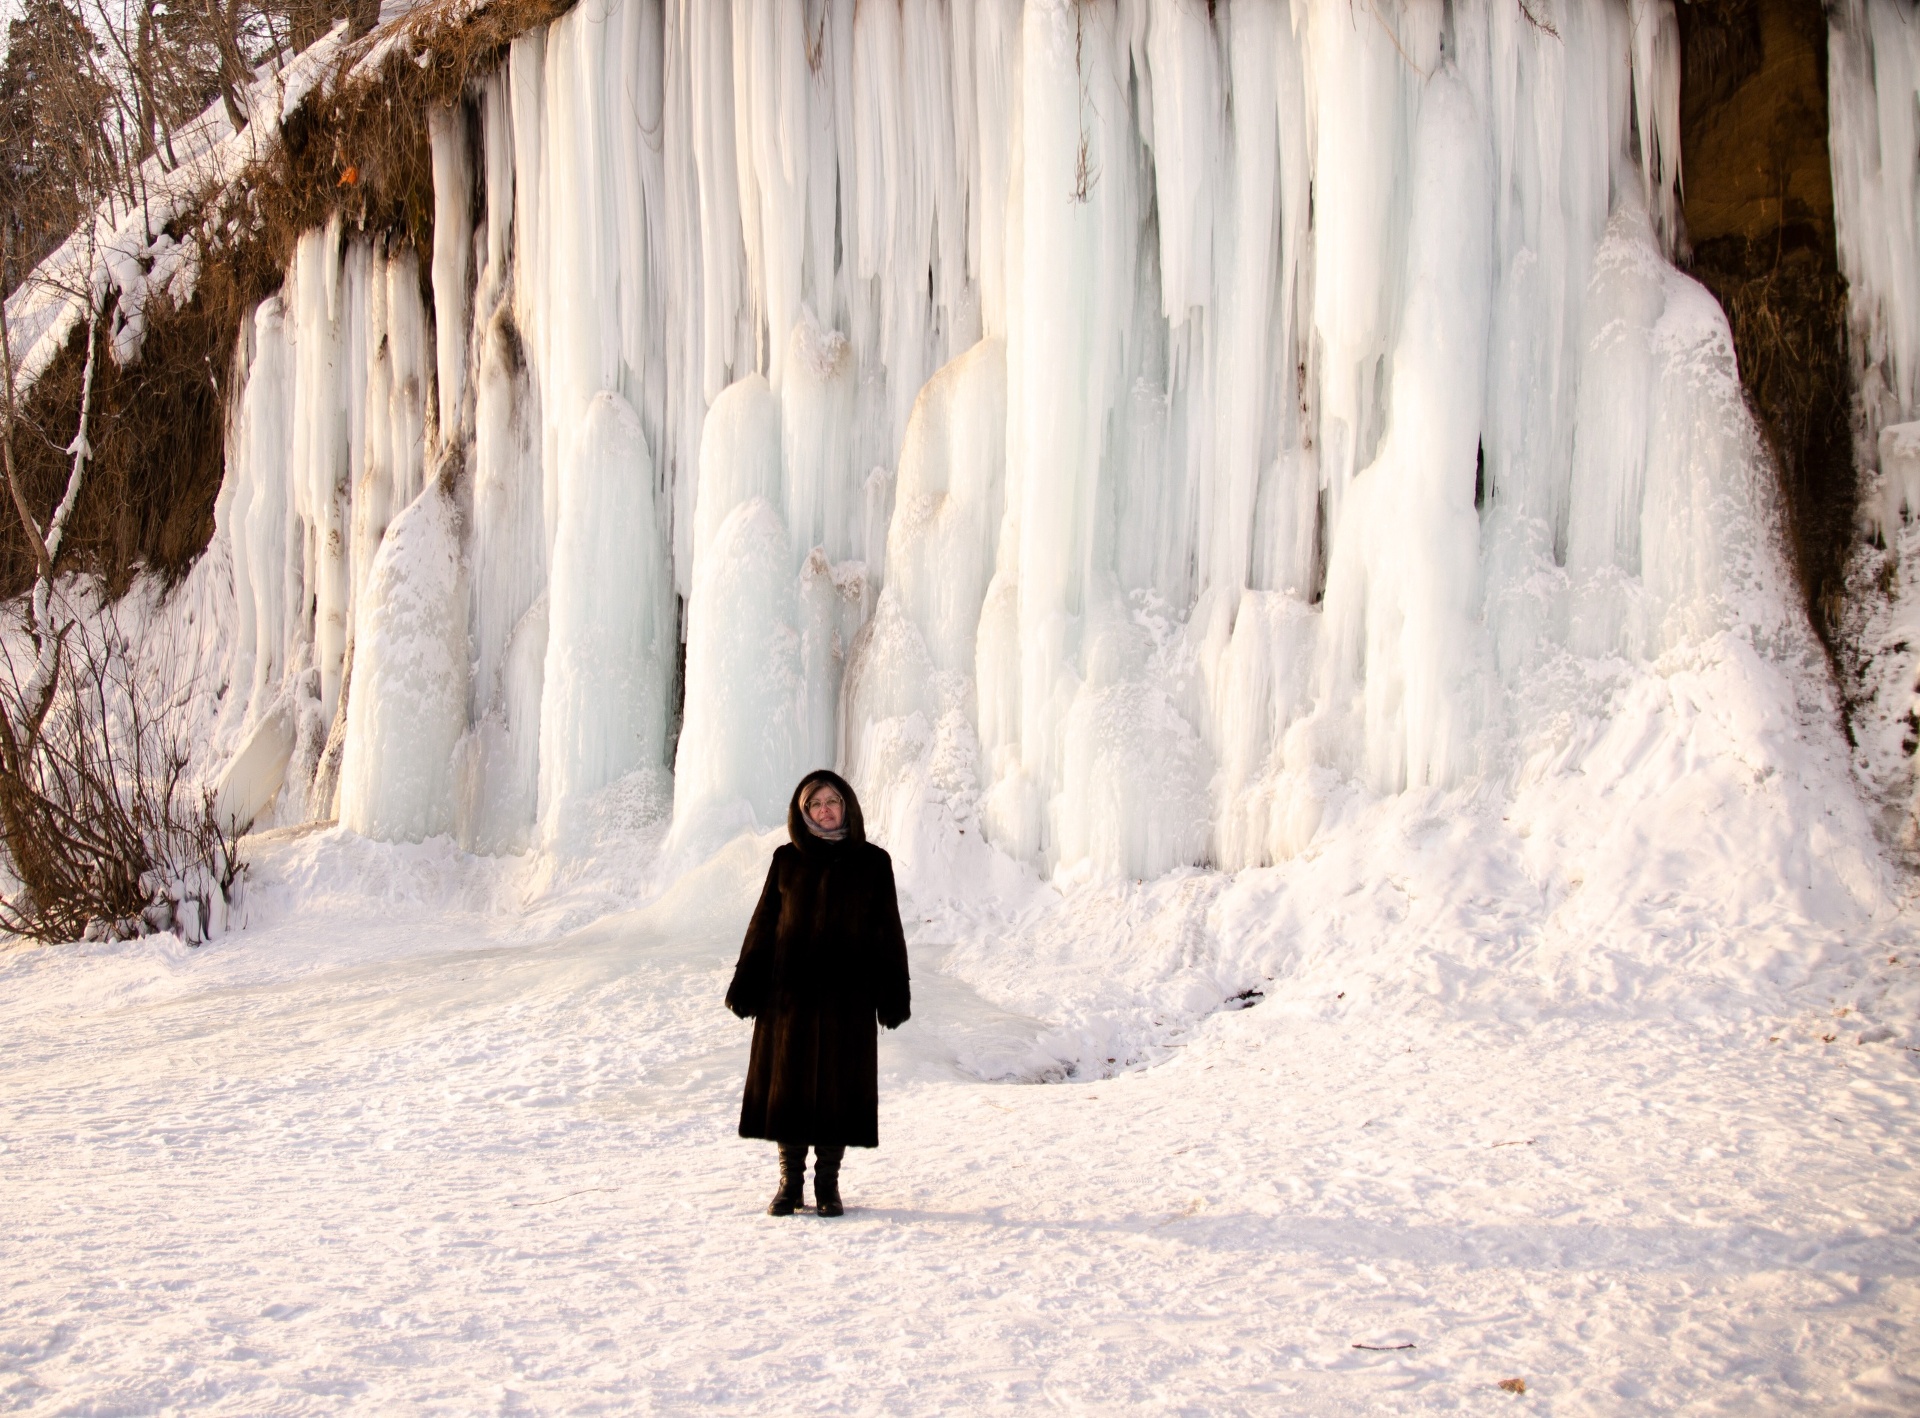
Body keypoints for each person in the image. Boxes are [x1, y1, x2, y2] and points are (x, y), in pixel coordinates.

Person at [725, 770, 911, 1216]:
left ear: (846, 806)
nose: (824, 810)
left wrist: (892, 993)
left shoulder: (873, 862)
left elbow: (888, 932)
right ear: (802, 811)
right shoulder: (786, 860)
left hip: (848, 999)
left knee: (837, 1089)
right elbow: (764, 924)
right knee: (787, 1089)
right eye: (815, 804)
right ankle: (790, 1184)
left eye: (832, 801)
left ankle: (828, 1185)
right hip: (788, 997)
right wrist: (747, 982)